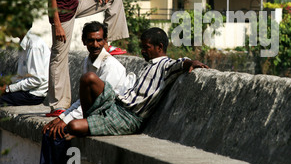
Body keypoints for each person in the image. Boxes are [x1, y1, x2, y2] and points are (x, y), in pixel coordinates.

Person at [66, 27, 209, 137]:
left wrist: (192, 62)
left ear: (159, 47)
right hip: (117, 104)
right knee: (89, 78)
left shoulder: (164, 65)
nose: (142, 51)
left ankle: (88, 124)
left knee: (73, 126)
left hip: (128, 118)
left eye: (146, 47)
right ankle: (89, 119)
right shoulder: (148, 64)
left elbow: (180, 63)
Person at [39, 21, 134, 164]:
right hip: (92, 111)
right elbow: (82, 100)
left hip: (107, 114)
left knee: (60, 133)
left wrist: (66, 121)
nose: (95, 44)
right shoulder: (87, 61)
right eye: (91, 40)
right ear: (84, 41)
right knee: (50, 131)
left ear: (105, 41)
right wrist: (61, 118)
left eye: (99, 40)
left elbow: (100, 101)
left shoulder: (111, 66)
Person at [0, 22, 50, 106]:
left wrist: (7, 89)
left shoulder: (34, 45)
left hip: (34, 94)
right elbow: (22, 76)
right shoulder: (24, 43)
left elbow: (36, 80)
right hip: (27, 90)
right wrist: (7, 82)